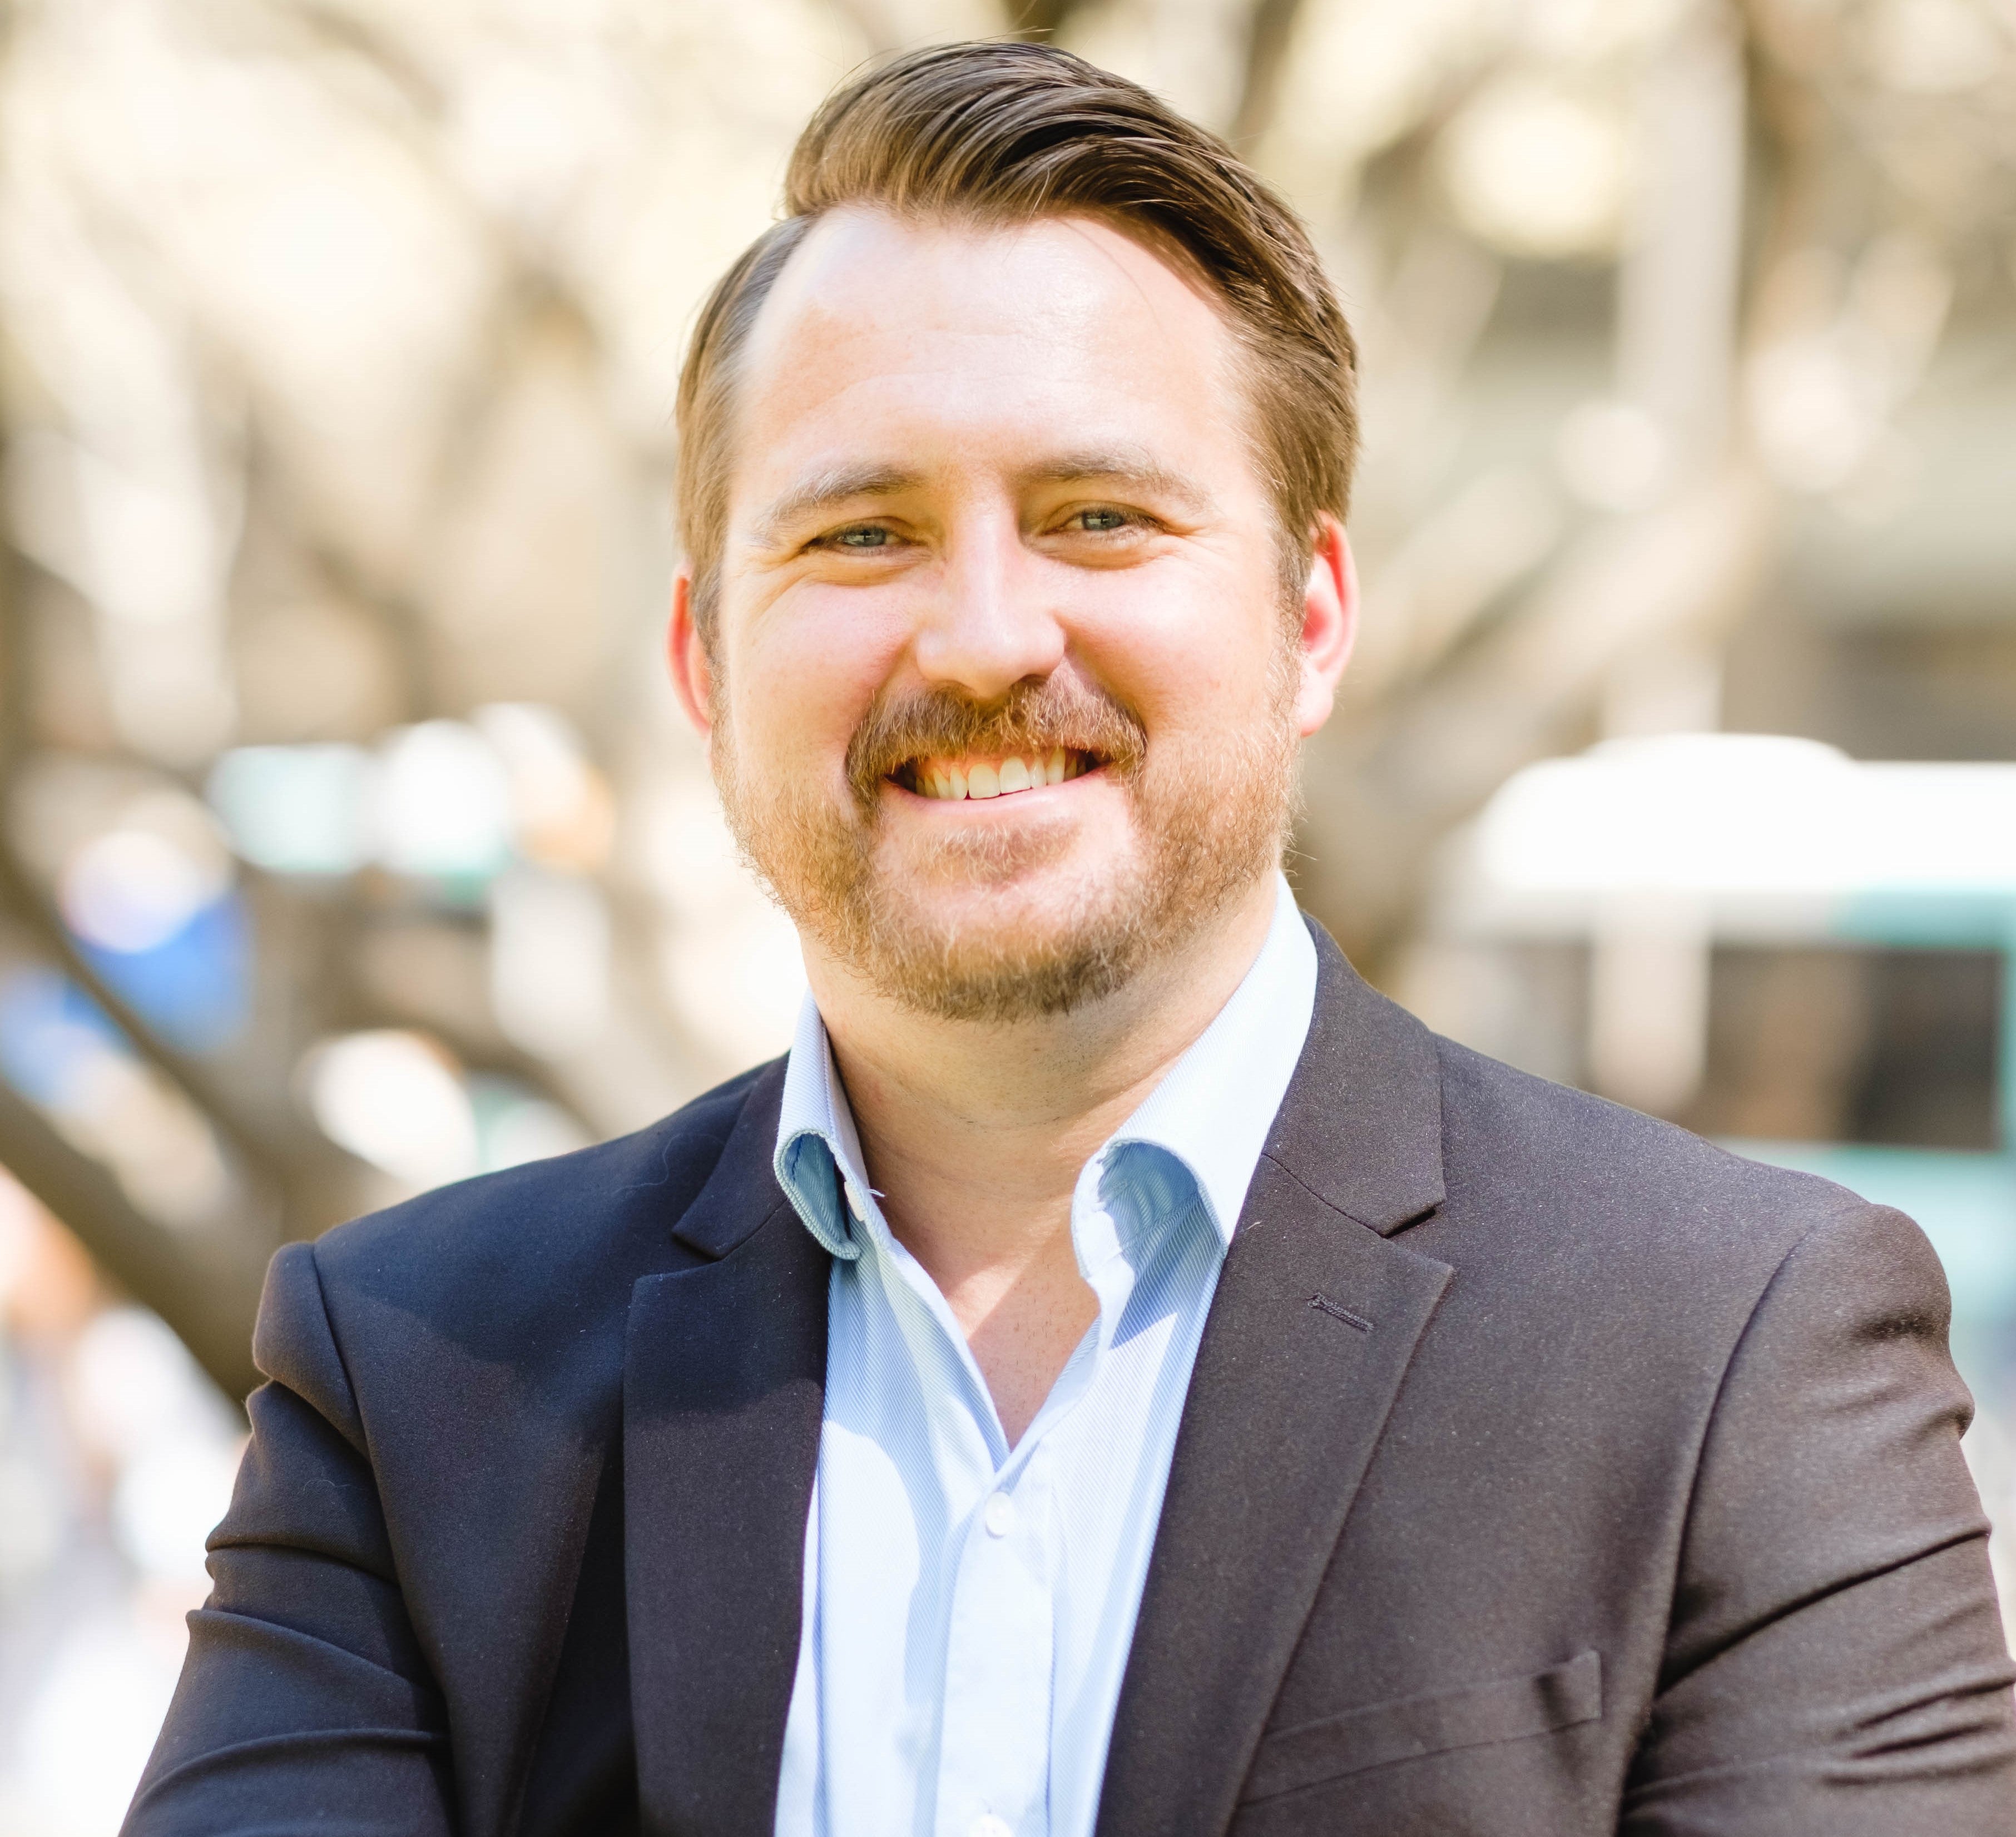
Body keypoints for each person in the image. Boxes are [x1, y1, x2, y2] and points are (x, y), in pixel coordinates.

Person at [125, 41, 2015, 1837]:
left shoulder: (1730, 1358)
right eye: (861, 535)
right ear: (703, 658)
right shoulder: (417, 1373)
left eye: (1097, 517)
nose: (980, 639)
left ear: (1310, 618)